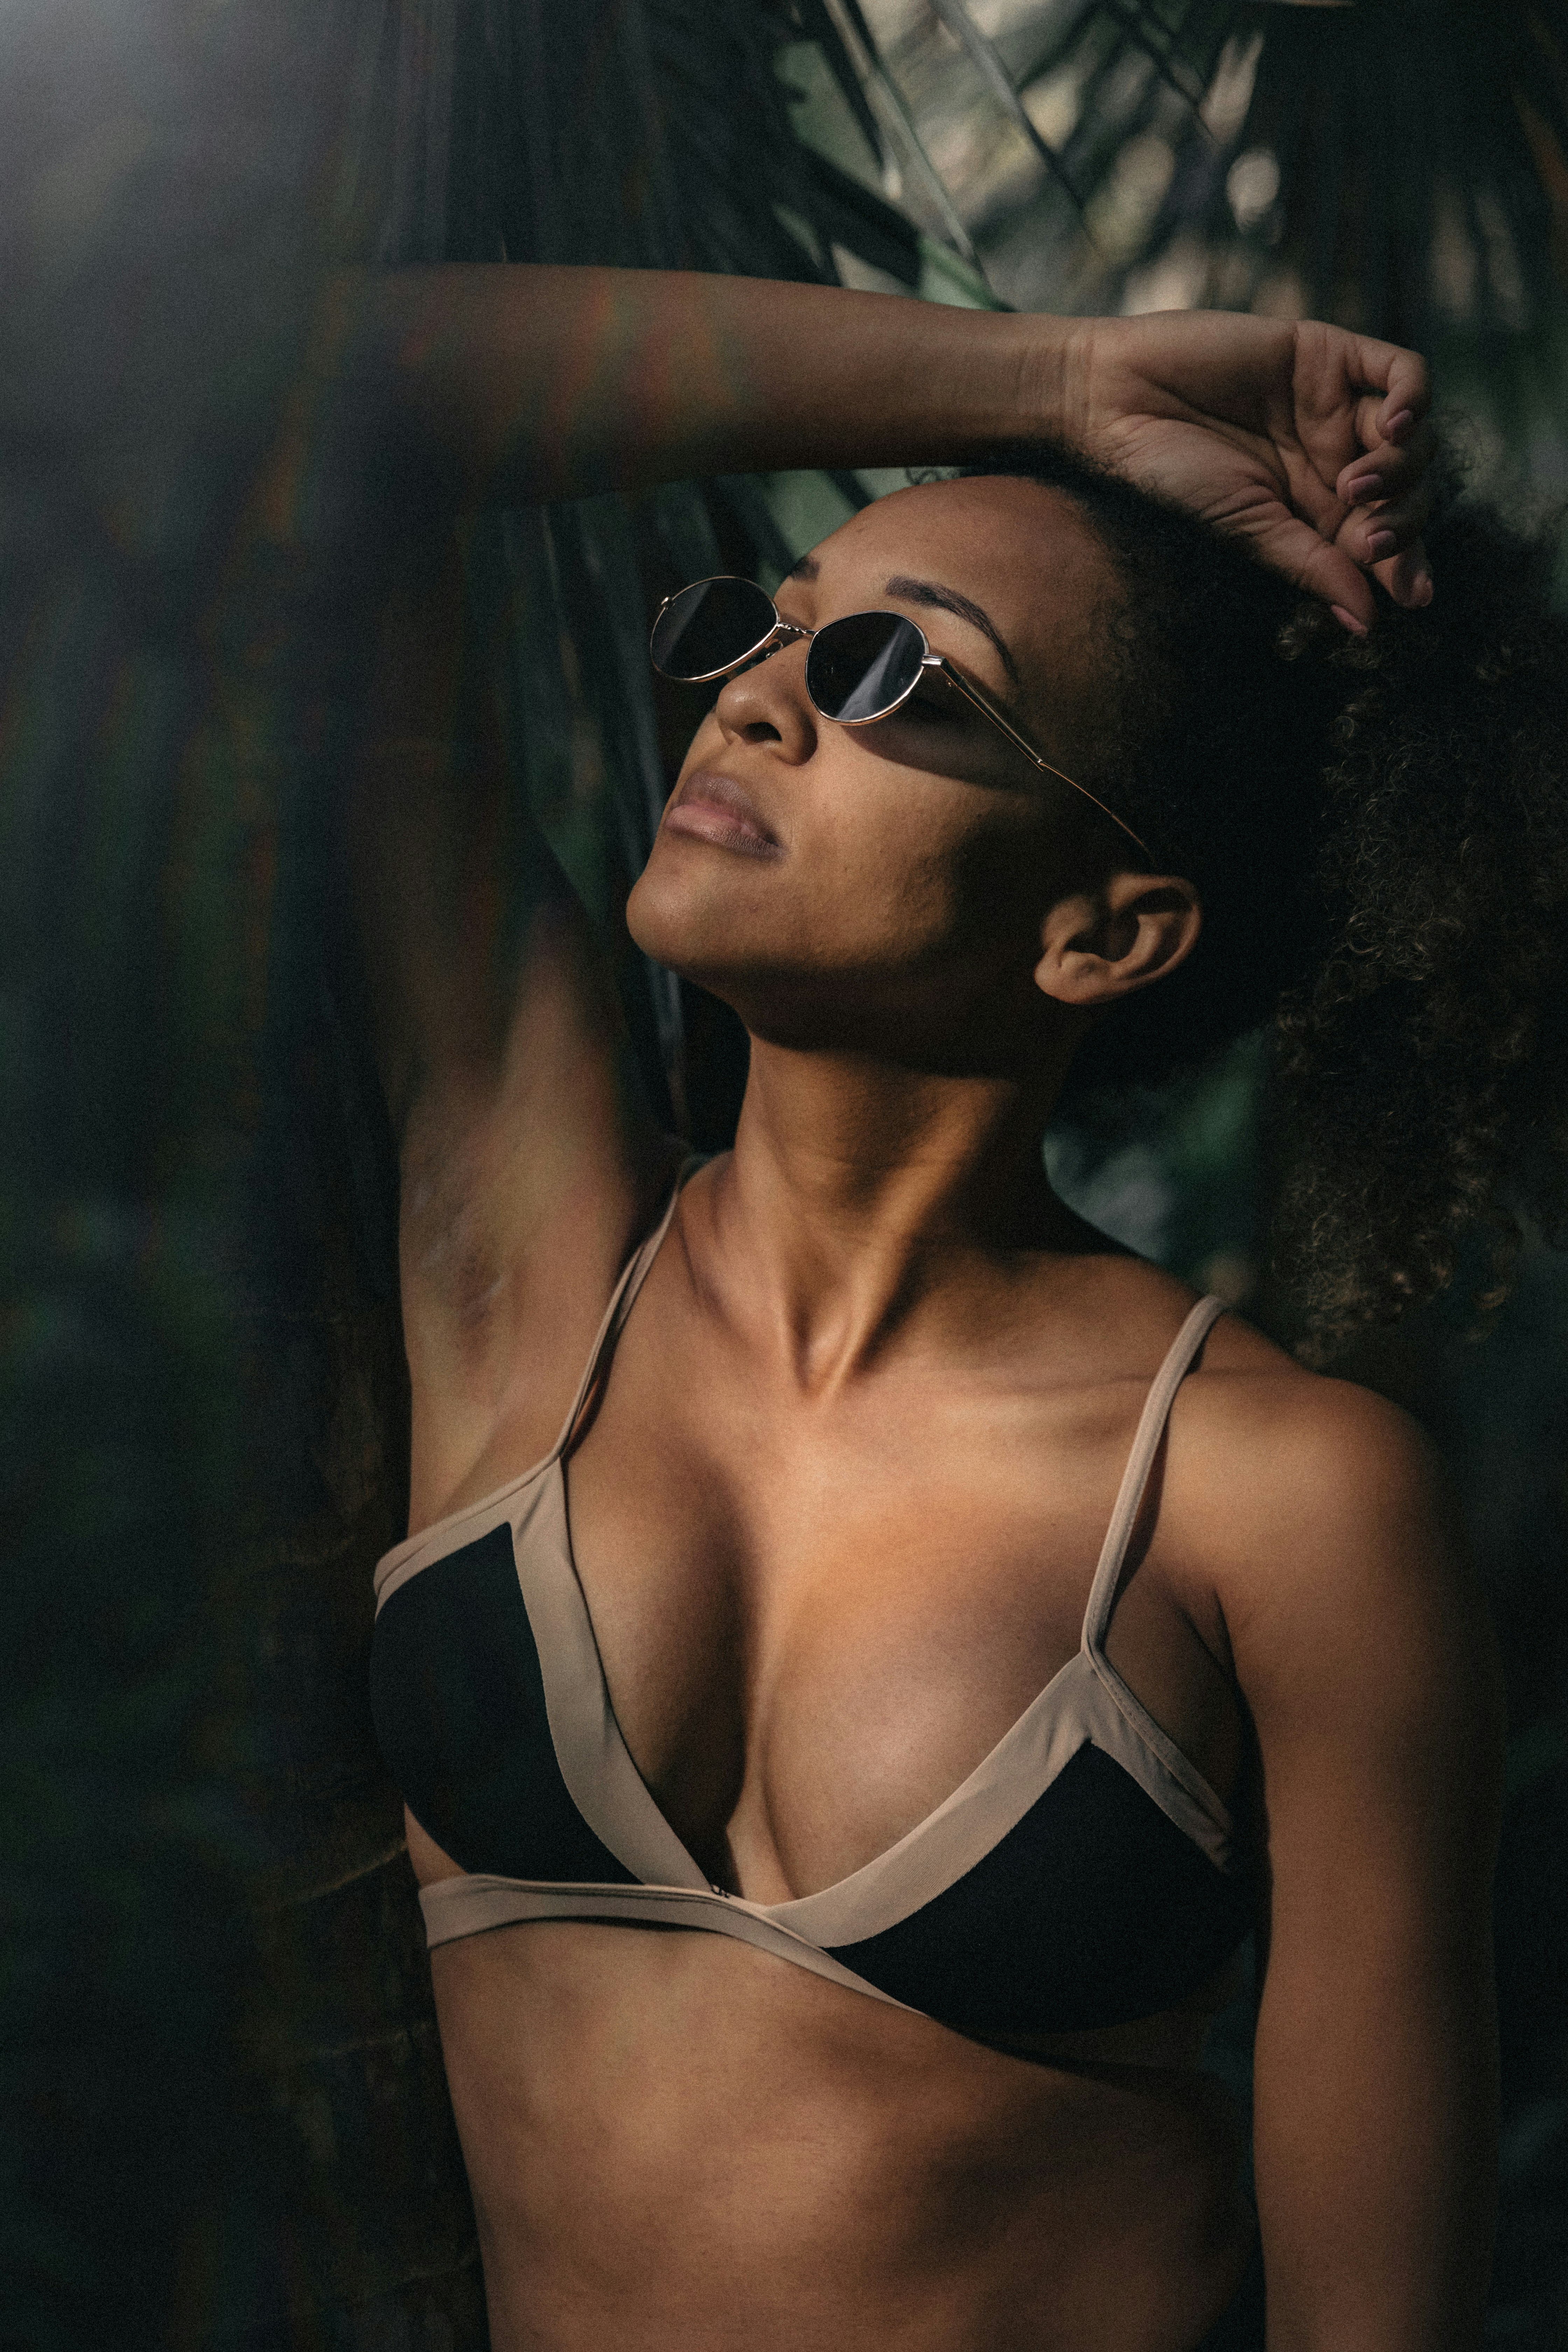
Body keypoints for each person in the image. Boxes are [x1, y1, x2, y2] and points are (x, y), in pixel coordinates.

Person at [322, 267, 1563, 2351]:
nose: (755, 697)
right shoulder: (532, 1252)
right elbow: (333, 389)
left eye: (898, 673)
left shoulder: (1279, 1499)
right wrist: (1062, 378)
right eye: (773, 623)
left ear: (1105, 931)